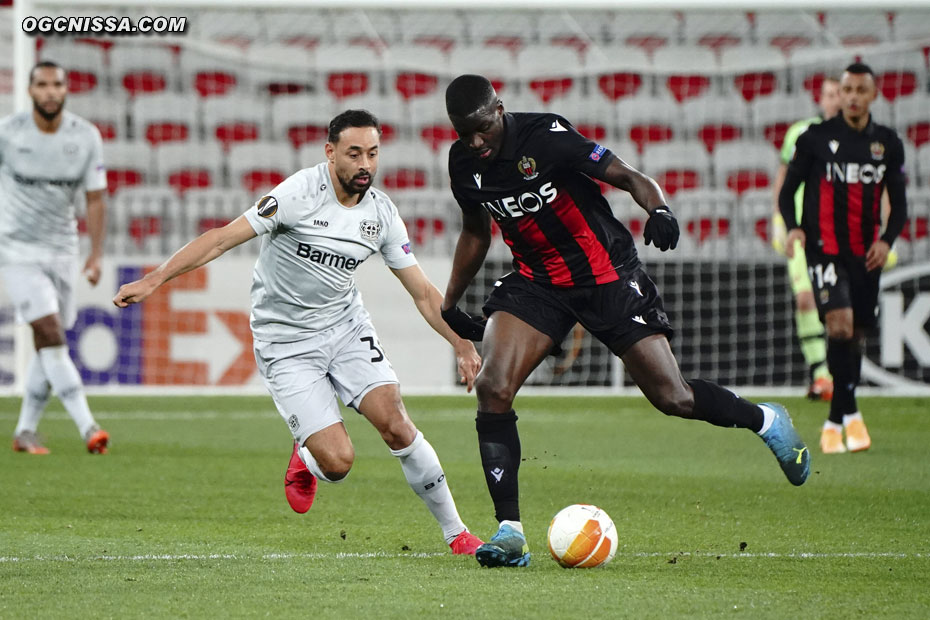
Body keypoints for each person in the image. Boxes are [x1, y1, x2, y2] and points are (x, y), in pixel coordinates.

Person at [439, 74, 810, 568]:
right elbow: (475, 233)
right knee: (493, 386)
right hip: (538, 282)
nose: (476, 141)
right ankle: (510, 532)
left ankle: (765, 418)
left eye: (482, 128)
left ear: (499, 109)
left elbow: (629, 175)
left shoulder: (545, 136)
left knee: (671, 396)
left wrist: (659, 207)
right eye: (465, 133)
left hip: (606, 274)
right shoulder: (463, 162)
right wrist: (450, 301)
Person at [113, 110, 485, 555]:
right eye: (354, 154)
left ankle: (457, 533)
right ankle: (307, 456)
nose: (365, 164)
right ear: (330, 153)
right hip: (285, 341)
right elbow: (220, 238)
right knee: (338, 462)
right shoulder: (298, 194)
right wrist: (155, 278)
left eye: (373, 153)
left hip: (345, 328)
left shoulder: (382, 215)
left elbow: (423, 292)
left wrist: (460, 342)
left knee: (396, 424)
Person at [779, 63, 907, 455]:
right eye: (846, 89)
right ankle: (850, 415)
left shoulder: (886, 143)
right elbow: (789, 190)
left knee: (855, 335)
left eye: (859, 90)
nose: (852, 96)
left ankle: (838, 418)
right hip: (824, 250)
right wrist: (794, 226)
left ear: (873, 95)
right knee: (839, 326)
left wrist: (886, 240)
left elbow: (899, 204)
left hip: (865, 254)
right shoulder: (815, 138)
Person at [0, 61, 109, 455]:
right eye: (42, 85)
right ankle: (88, 427)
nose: (49, 92)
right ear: (30, 91)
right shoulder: (8, 134)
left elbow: (95, 199)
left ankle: (25, 431)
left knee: (50, 342)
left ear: (65, 90)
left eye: (56, 85)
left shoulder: (85, 137)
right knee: (49, 333)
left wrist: (95, 255)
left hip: (63, 249)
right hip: (16, 250)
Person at [772, 77, 841, 402]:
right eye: (829, 94)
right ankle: (821, 374)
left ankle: (841, 372)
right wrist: (778, 220)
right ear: (821, 98)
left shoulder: (860, 138)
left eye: (839, 94)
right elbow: (784, 176)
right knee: (805, 298)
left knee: (841, 304)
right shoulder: (801, 132)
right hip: (802, 226)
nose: (835, 100)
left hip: (841, 229)